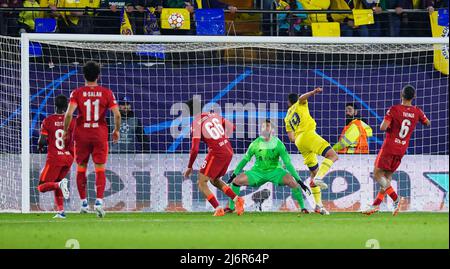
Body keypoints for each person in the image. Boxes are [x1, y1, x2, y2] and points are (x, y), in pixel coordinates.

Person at [63, 61, 121, 218]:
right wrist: (116, 130)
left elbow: (69, 114)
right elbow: (117, 114)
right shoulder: (107, 92)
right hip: (99, 135)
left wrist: (65, 131)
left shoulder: (77, 92)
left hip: (81, 134)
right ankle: (99, 202)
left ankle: (83, 203)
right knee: (99, 168)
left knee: (81, 168)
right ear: (98, 76)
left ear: (84, 76)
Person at [362, 85, 430, 216]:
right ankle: (375, 206)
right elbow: (427, 123)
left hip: (389, 147)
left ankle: (396, 199)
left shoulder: (394, 109)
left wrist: (392, 126)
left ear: (401, 95)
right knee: (387, 178)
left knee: (377, 175)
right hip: (401, 149)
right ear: (414, 97)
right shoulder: (417, 111)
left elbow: (383, 127)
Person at [226, 119, 311, 214]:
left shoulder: (278, 144)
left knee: (293, 182)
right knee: (236, 181)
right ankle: (231, 207)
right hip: (258, 172)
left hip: (276, 171)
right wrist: (234, 174)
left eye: (267, 126)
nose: (265, 128)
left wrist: (299, 180)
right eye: (263, 126)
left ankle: (303, 208)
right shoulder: (255, 144)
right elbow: (244, 160)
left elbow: (288, 163)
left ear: (272, 130)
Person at [183, 99, 245, 217]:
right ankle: (238, 200)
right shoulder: (213, 115)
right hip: (228, 150)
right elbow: (233, 127)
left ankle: (218, 208)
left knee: (201, 182)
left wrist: (190, 166)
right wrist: (221, 140)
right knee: (214, 180)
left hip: (218, 153)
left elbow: (195, 149)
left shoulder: (196, 123)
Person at [284, 88, 339, 215]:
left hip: (299, 141)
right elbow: (303, 98)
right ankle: (319, 178)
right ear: (296, 100)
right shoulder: (300, 103)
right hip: (308, 135)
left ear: (288, 103)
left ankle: (318, 206)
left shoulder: (287, 117)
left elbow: (291, 138)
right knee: (332, 156)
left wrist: (301, 138)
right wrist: (313, 92)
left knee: (313, 173)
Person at [37, 95, 75, 219]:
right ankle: (61, 211)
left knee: (41, 187)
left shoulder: (48, 121)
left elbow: (42, 141)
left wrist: (40, 146)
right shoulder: (72, 121)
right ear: (66, 107)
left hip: (54, 158)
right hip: (68, 157)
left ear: (55, 105)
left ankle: (59, 185)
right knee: (58, 182)